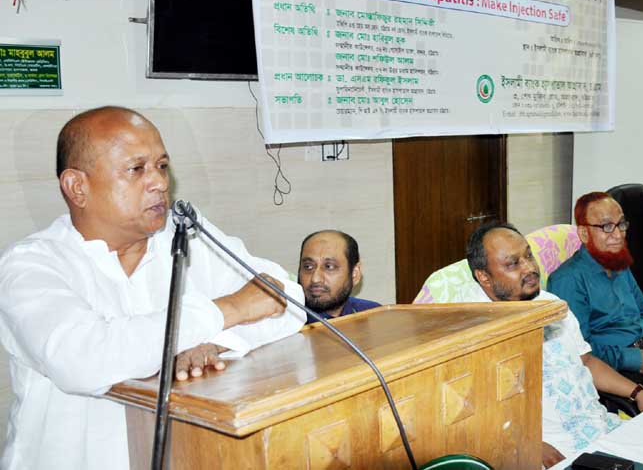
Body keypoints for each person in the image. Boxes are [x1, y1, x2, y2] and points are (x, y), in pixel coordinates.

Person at [0, 107, 307, 469]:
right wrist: (230, 311)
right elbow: (84, 361)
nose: (160, 182)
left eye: (162, 166)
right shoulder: (29, 265)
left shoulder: (181, 237)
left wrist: (215, 342)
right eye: (137, 169)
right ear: (77, 187)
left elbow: (287, 299)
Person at [417, 222, 643, 469]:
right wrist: (527, 444)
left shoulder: (551, 303)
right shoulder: (468, 330)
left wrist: (637, 393)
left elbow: (585, 361)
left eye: (528, 255)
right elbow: (463, 414)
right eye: (513, 264)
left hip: (600, 428)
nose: (530, 267)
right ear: (484, 277)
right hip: (548, 451)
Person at [548, 192, 643, 401]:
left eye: (622, 224)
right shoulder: (568, 280)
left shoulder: (619, 265)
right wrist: (638, 360)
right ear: (583, 233)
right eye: (607, 226)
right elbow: (580, 350)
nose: (618, 235)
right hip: (618, 374)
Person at [298, 230, 380, 323]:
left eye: (329, 267)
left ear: (354, 274)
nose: (315, 279)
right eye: (308, 267)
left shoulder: (374, 315)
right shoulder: (286, 324)